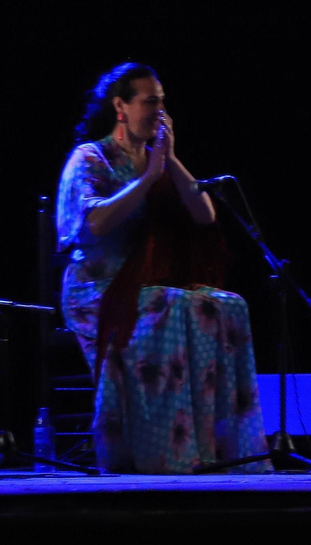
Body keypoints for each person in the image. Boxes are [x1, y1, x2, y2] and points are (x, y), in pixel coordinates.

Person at [55, 62, 267, 473]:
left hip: (151, 284)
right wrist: (149, 177)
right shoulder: (91, 158)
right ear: (120, 106)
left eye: (163, 102)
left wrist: (168, 161)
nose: (160, 111)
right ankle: (168, 453)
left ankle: (224, 453)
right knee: (170, 305)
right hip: (98, 288)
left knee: (228, 305)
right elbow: (91, 224)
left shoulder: (157, 159)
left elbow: (204, 215)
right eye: (150, 102)